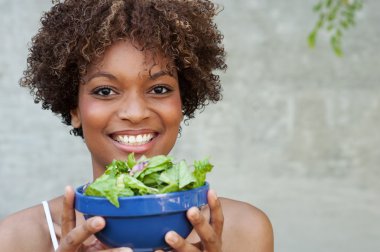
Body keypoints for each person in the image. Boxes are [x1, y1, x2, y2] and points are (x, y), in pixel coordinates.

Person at [0, 0, 274, 251]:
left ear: (182, 102)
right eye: (105, 91)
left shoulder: (243, 232)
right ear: (75, 110)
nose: (135, 112)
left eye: (159, 89)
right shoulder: (17, 239)